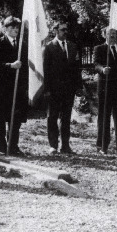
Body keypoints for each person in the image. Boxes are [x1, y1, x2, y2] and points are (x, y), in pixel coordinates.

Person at [0, 16, 29, 156]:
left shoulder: (22, 45)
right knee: (1, 118)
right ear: (5, 29)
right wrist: (11, 66)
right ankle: (1, 146)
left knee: (15, 118)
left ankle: (13, 146)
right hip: (2, 86)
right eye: (12, 27)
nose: (15, 30)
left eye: (17, 28)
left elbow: (25, 67)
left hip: (17, 86)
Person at [43, 22, 82, 155]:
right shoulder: (48, 47)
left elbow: (77, 69)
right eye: (62, 29)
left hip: (68, 89)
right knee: (52, 117)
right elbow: (45, 70)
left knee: (66, 118)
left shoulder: (72, 47)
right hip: (54, 90)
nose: (65, 32)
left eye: (66, 29)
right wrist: (46, 89)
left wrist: (78, 86)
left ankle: (65, 145)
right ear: (55, 31)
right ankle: (53, 145)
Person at [93, 27, 117, 154]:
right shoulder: (99, 48)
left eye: (114, 34)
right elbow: (96, 64)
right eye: (110, 34)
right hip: (105, 88)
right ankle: (102, 145)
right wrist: (102, 69)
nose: (113, 36)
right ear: (104, 35)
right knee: (104, 117)